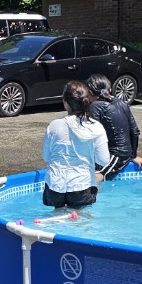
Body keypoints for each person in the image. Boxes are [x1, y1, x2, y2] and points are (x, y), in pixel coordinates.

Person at [42, 81, 110, 209]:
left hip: (55, 186)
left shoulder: (54, 125)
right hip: (81, 185)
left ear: (66, 103)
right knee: (82, 222)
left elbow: (46, 157)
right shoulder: (96, 127)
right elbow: (103, 160)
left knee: (56, 219)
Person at [85, 74, 142, 180]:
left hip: (115, 155)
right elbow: (135, 131)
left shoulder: (95, 106)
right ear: (109, 88)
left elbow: (92, 135)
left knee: (97, 176)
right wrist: (133, 155)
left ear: (89, 92)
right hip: (123, 154)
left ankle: (92, 196)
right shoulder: (122, 102)